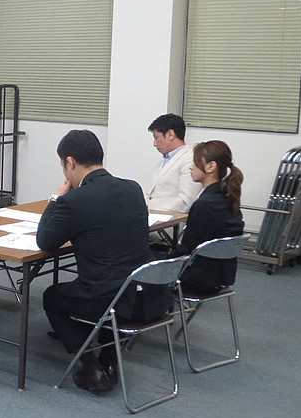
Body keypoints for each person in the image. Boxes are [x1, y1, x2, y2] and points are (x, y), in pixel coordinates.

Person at [36, 129, 169, 392]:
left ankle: (90, 364)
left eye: (63, 166)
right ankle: (109, 360)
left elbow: (45, 241)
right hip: (150, 295)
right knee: (115, 285)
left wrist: (56, 197)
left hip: (110, 300)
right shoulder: (132, 188)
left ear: (70, 162)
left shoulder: (73, 201)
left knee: (52, 296)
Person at [173, 140, 245, 291]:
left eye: (195, 162)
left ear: (211, 166)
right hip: (221, 275)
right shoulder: (228, 197)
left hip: (196, 278)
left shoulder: (204, 205)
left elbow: (186, 249)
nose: (191, 166)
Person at [144, 113, 198, 213]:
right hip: (153, 216)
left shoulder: (190, 160)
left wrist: (154, 212)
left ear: (170, 135)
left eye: (156, 138)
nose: (154, 144)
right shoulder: (162, 162)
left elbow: (185, 203)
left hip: (170, 219)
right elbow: (153, 196)